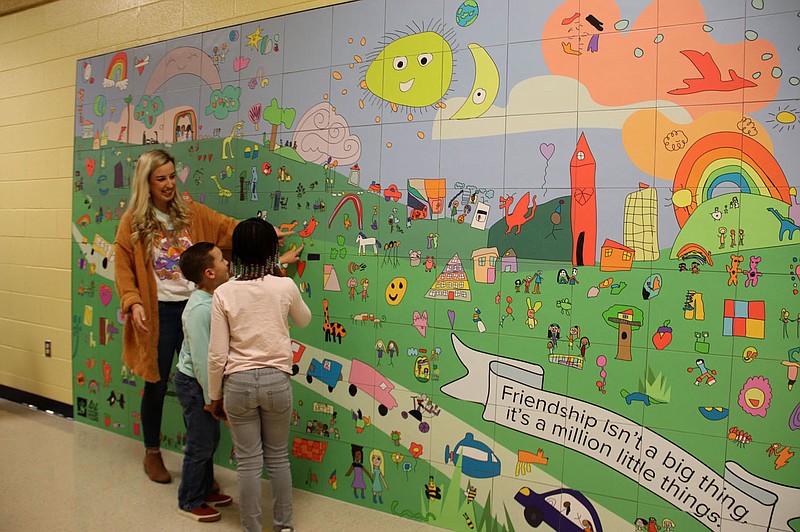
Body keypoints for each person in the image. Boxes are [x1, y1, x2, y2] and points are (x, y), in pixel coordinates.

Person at [114, 149, 301, 483]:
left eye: (172, 176)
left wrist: (265, 235)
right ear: (146, 183)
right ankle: (152, 452)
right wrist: (133, 301)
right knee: (155, 385)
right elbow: (123, 265)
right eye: (161, 179)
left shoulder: (190, 213)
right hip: (159, 316)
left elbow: (229, 229)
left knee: (202, 386)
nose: (169, 184)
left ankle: (200, 465)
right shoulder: (133, 221)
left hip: (197, 307)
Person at [207, 218, 312, 532]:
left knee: (249, 463)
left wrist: (215, 397)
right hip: (276, 381)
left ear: (236, 252)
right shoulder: (284, 285)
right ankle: (284, 527)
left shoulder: (223, 293)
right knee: (278, 459)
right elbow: (304, 320)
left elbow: (216, 355)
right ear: (272, 250)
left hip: (237, 385)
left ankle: (251, 527)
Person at [174, 242, 233, 522]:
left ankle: (205, 489)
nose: (227, 264)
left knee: (210, 439)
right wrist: (212, 398)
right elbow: (200, 359)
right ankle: (189, 499)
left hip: (205, 384)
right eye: (222, 260)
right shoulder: (198, 310)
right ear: (209, 272)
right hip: (194, 384)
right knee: (199, 443)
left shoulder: (215, 298)